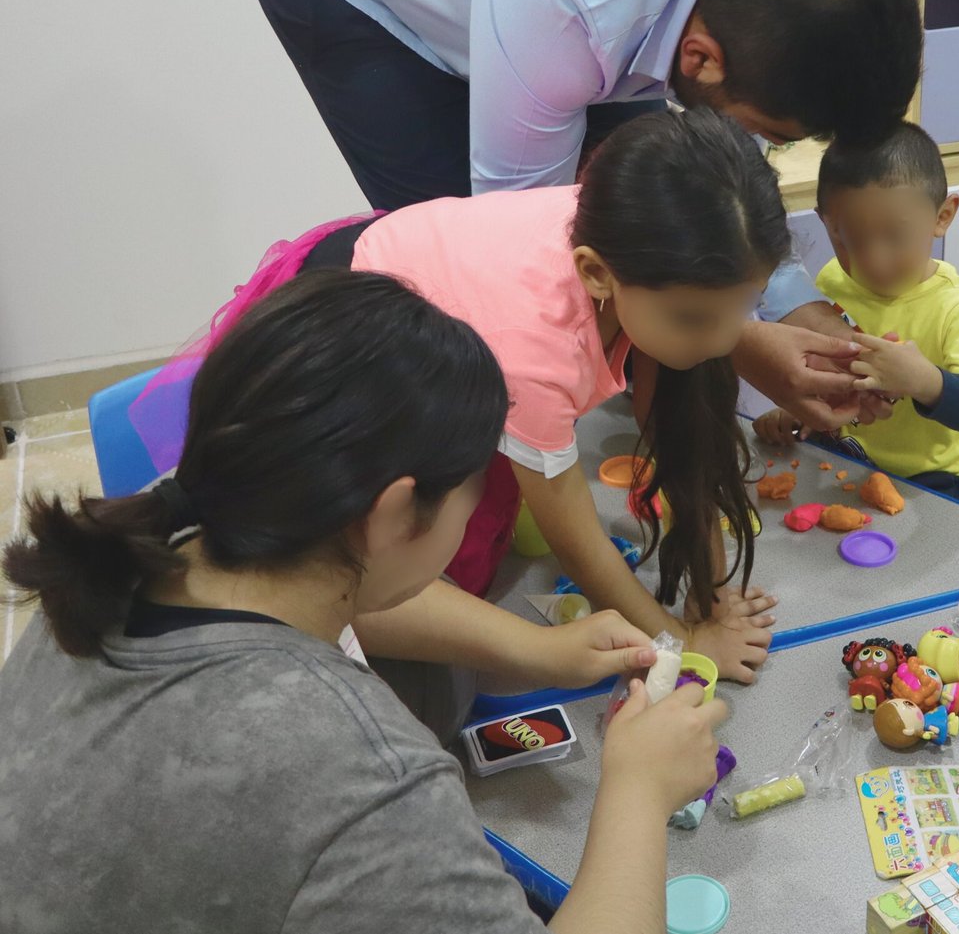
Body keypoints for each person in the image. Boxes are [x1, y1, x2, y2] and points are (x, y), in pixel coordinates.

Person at [0, 270, 727, 933]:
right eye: (474, 489)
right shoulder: (365, 778)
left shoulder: (133, 550)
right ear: (393, 514)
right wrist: (636, 792)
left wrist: (536, 649)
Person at [244, 0, 921, 430]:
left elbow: (720, 193)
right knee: (468, 282)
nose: (765, 148)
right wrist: (737, 338)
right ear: (700, 59)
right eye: (772, 135)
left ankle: (643, 437)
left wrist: (790, 305)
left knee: (649, 216)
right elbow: (521, 248)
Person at [130, 110, 792, 732]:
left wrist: (708, 592)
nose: (724, 337)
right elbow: (574, 534)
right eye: (696, 320)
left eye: (744, 308)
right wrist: (671, 641)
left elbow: (686, 427)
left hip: (431, 317)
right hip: (349, 339)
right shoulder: (537, 342)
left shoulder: (642, 238)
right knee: (411, 645)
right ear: (594, 273)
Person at [753, 124, 959, 498]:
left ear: (942, 216)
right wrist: (797, 413)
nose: (874, 261)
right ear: (826, 222)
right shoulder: (833, 279)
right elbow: (827, 376)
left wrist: (924, 381)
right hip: (841, 457)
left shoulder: (957, 306)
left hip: (925, 480)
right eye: (850, 238)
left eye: (895, 236)